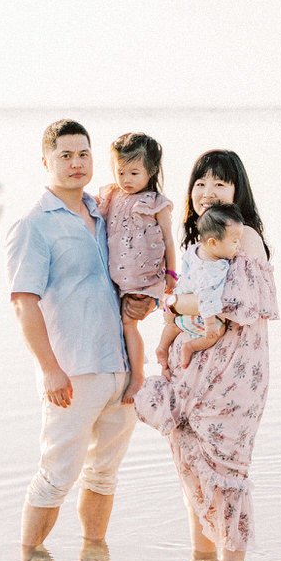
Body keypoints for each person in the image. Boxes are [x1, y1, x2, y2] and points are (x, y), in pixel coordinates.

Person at [134, 150, 278, 561]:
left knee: (228, 474)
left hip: (234, 377)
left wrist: (176, 305)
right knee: (193, 473)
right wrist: (175, 313)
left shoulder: (243, 236)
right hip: (193, 373)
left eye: (219, 183)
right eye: (200, 183)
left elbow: (238, 301)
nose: (207, 192)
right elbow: (190, 303)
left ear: (237, 191)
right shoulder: (201, 244)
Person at [6, 120, 135, 556]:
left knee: (104, 473)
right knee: (56, 475)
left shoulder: (105, 212)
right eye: (66, 155)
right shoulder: (33, 225)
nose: (76, 163)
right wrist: (49, 370)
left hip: (120, 368)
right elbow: (24, 304)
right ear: (47, 161)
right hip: (72, 372)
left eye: (83, 154)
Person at [95, 133, 177, 400]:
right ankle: (120, 372)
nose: (126, 180)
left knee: (129, 324)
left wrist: (171, 274)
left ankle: (138, 376)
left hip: (144, 277)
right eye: (121, 172)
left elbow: (168, 239)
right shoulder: (112, 195)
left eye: (134, 172)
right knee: (119, 323)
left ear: (151, 171)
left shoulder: (155, 203)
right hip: (119, 277)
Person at [155, 202, 245, 376]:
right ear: (213, 242)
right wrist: (210, 323)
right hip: (197, 313)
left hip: (179, 302)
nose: (238, 246)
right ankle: (190, 347)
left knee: (173, 326)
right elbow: (205, 296)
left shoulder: (193, 250)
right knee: (218, 332)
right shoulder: (215, 268)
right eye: (235, 241)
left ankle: (162, 346)